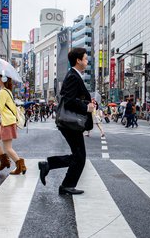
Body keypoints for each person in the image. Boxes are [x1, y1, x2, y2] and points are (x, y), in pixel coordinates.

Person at [38, 48, 94, 195]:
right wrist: (86, 107)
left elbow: (73, 97)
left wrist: (87, 103)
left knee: (78, 156)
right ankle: (65, 184)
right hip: (70, 123)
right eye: (86, 59)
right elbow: (69, 101)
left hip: (70, 123)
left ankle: (50, 167)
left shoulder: (74, 75)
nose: (87, 61)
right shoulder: (73, 77)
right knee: (80, 157)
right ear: (78, 60)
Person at [0, 72, 27, 175]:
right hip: (5, 122)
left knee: (8, 148)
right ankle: (4, 161)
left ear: (4, 79)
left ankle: (20, 165)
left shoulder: (3, 92)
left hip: (7, 123)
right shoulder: (7, 91)